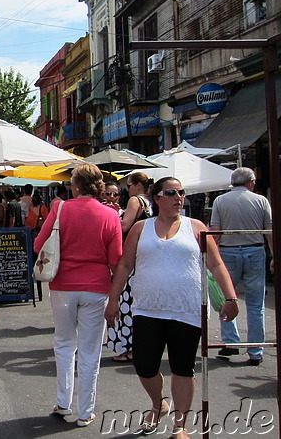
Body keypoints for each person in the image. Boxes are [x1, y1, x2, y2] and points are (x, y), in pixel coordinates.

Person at [105, 177, 239, 439]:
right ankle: (158, 403)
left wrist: (231, 298)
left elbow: (216, 264)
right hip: (147, 308)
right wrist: (113, 300)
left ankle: (180, 426)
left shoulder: (196, 227)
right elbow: (124, 265)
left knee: (182, 367)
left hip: (185, 309)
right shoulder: (141, 228)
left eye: (181, 192)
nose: (179, 197)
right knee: (144, 365)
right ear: (156, 198)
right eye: (171, 193)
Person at [34, 163, 122, 428]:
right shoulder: (109, 215)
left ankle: (63, 402)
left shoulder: (60, 208)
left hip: (62, 284)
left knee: (63, 343)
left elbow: (39, 245)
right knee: (90, 349)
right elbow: (116, 258)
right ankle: (85, 411)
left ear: (75, 185)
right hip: (96, 286)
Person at [210, 167, 273, 366]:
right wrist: (274, 255)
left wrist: (212, 256)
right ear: (251, 182)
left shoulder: (220, 201)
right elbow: (269, 231)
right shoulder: (261, 200)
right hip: (254, 250)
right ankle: (255, 349)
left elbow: (215, 231)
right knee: (256, 304)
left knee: (227, 298)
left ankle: (231, 342)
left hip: (228, 251)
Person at [106, 171, 154, 363]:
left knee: (126, 302)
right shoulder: (149, 203)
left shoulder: (135, 201)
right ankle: (138, 346)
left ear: (138, 186)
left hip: (132, 256)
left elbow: (125, 226)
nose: (127, 189)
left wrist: (111, 217)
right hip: (145, 256)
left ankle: (129, 347)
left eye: (129, 185)